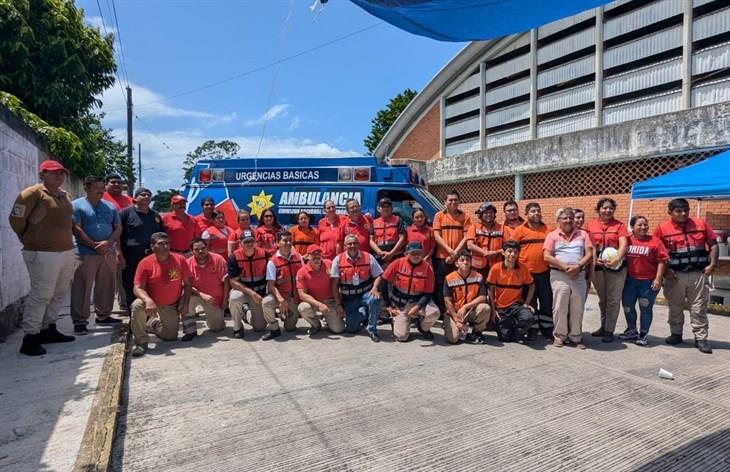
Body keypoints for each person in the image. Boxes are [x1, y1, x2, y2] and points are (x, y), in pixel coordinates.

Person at [9, 160, 76, 356]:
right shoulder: (32, 194)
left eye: (61, 173)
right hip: (42, 253)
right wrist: (29, 237)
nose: (59, 176)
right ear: (42, 174)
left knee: (58, 293)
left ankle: (49, 328)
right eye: (54, 173)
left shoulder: (65, 195)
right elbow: (15, 219)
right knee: (41, 295)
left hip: (65, 251)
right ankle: (30, 337)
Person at [654, 198, 718, 354]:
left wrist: (712, 265)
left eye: (686, 210)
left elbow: (714, 244)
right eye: (678, 211)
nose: (683, 213)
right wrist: (665, 272)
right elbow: (657, 252)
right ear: (670, 212)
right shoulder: (662, 228)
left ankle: (701, 339)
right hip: (674, 276)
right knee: (675, 307)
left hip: (698, 274)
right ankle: (676, 334)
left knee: (698, 308)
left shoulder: (700, 224)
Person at [70, 176, 122, 334]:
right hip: (86, 252)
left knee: (106, 284)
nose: (100, 192)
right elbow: (76, 229)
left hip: (108, 252)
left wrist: (109, 242)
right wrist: (93, 245)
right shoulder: (76, 206)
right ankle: (80, 320)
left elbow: (118, 227)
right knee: (82, 286)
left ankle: (104, 314)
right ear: (86, 188)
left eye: (102, 189)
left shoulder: (110, 206)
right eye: (96, 188)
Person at [130, 232, 192, 357]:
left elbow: (188, 284)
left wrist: (185, 303)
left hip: (170, 304)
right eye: (161, 244)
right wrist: (147, 300)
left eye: (167, 243)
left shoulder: (180, 259)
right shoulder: (145, 263)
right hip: (151, 302)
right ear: (152, 247)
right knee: (136, 305)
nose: (165, 246)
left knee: (171, 337)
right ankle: (141, 342)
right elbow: (137, 288)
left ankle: (152, 324)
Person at [543, 208, 593, 349]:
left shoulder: (583, 234)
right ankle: (560, 336)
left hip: (578, 274)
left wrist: (578, 266)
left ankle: (576, 336)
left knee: (578, 306)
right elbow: (546, 256)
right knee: (560, 306)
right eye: (564, 218)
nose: (568, 220)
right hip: (559, 274)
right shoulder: (552, 235)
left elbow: (589, 254)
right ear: (558, 220)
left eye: (571, 217)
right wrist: (564, 267)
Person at [586, 198, 629, 343]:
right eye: (604, 208)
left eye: (611, 208)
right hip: (598, 267)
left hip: (616, 268)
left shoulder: (620, 225)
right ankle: (603, 326)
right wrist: (593, 260)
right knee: (603, 300)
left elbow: (624, 244)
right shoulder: (591, 225)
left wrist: (617, 258)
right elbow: (589, 245)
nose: (608, 210)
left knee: (613, 300)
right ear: (598, 209)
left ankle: (609, 330)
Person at [620, 216, 668, 346]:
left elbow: (662, 261)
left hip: (647, 282)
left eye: (645, 225)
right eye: (639, 225)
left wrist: (658, 279)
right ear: (632, 227)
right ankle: (631, 330)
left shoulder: (655, 241)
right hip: (629, 281)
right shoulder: (627, 240)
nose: (643, 227)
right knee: (627, 307)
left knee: (645, 308)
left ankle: (643, 333)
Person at [510, 202, 553, 340]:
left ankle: (547, 328)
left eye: (538, 211)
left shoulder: (548, 229)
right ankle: (532, 329)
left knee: (546, 302)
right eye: (533, 211)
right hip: (526, 275)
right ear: (526, 214)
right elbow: (512, 250)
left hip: (545, 273)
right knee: (530, 303)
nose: (536, 213)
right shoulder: (519, 231)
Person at [118, 188, 164, 315]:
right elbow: (117, 235)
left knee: (151, 284)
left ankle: (150, 314)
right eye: (142, 195)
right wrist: (119, 254)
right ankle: (133, 314)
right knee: (131, 285)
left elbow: (162, 236)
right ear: (135, 197)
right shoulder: (125, 213)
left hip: (151, 256)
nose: (146, 197)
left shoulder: (155, 215)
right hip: (131, 256)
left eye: (148, 195)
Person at [382, 241, 439, 341]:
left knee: (434, 313)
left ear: (423, 254)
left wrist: (418, 307)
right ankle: (400, 320)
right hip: (401, 305)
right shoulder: (398, 263)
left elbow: (428, 293)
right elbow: (384, 282)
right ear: (406, 253)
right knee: (401, 337)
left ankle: (423, 327)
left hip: (418, 301)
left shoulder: (427, 269)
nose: (416, 256)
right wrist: (388, 305)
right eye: (413, 253)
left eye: (418, 253)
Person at [331, 234, 384, 342]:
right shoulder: (338, 260)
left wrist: (374, 288)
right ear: (345, 246)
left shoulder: (368, 257)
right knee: (351, 329)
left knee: (375, 299)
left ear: (358, 244)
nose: (352, 246)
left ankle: (372, 329)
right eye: (349, 244)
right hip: (349, 298)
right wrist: (338, 304)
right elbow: (334, 284)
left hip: (365, 293)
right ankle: (363, 312)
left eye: (355, 243)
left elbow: (378, 274)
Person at [261, 231, 313, 339]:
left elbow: (305, 278)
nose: (288, 243)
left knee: (290, 328)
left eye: (290, 240)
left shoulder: (298, 257)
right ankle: (274, 329)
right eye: (285, 240)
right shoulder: (272, 261)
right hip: (281, 296)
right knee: (266, 302)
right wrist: (280, 300)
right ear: (277, 243)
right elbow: (271, 285)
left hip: (294, 298)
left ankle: (286, 314)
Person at [432, 190, 471, 314]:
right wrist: (450, 251)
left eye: (456, 200)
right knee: (441, 284)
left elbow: (466, 236)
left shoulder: (465, 216)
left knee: (457, 284)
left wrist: (456, 253)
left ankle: (457, 310)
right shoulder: (439, 216)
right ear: (445, 202)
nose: (453, 202)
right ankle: (442, 311)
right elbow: (437, 236)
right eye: (450, 200)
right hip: (441, 257)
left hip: (459, 258)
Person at [487, 241, 534, 344]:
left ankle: (517, 332)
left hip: (516, 305)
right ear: (503, 253)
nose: (512, 254)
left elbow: (532, 286)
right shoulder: (495, 268)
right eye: (509, 251)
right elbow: (490, 290)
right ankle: (509, 326)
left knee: (528, 318)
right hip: (500, 307)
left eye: (515, 252)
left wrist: (526, 303)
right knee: (504, 338)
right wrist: (493, 310)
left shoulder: (523, 268)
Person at [102, 173, 134, 313]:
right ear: (106, 185)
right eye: (113, 182)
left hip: (128, 243)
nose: (116, 185)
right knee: (110, 279)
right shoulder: (101, 199)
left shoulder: (130, 200)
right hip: (110, 244)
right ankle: (105, 310)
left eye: (118, 182)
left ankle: (126, 302)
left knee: (126, 275)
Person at [296, 245, 345, 335]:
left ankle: (330, 319)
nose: (316, 256)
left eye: (318, 253)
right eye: (313, 254)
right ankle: (315, 325)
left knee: (338, 330)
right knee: (303, 308)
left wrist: (339, 304)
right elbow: (302, 294)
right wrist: (320, 304)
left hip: (330, 301)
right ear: (307, 256)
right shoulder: (302, 272)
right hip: (314, 302)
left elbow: (337, 284)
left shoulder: (329, 264)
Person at [228, 229, 269, 337]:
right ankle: (237, 327)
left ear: (255, 242)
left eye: (251, 241)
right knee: (234, 298)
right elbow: (233, 282)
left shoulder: (264, 254)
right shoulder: (234, 257)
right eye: (246, 241)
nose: (249, 244)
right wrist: (251, 293)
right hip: (243, 291)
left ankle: (246, 313)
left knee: (260, 328)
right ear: (240, 243)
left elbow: (270, 277)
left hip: (259, 293)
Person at [444, 251, 490, 344]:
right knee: (453, 339)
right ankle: (454, 326)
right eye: (462, 260)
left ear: (471, 263)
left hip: (469, 310)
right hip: (454, 313)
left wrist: (465, 307)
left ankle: (476, 332)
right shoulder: (449, 278)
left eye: (468, 260)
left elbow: (483, 297)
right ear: (456, 263)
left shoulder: (478, 276)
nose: (465, 262)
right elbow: (447, 301)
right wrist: (456, 320)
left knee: (485, 308)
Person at [186, 238, 228, 339]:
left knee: (216, 328)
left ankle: (215, 319)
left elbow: (226, 282)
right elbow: (187, 285)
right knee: (185, 299)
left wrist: (225, 301)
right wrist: (202, 295)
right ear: (191, 251)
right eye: (196, 249)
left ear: (207, 248)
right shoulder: (187, 263)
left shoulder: (218, 259)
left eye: (203, 248)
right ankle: (190, 331)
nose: (200, 251)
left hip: (214, 299)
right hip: (196, 295)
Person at [467, 202, 504, 277]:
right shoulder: (474, 227)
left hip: (496, 265)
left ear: (494, 214)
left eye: (491, 212)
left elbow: (508, 246)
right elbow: (469, 245)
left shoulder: (503, 228)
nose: (489, 215)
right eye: (485, 213)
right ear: (481, 215)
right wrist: (485, 252)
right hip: (477, 266)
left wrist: (495, 252)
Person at [369, 197, 406, 267]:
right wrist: (380, 253)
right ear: (378, 209)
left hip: (396, 256)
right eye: (383, 206)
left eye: (388, 206)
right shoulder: (374, 222)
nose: (386, 208)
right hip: (380, 257)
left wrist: (391, 253)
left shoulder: (398, 220)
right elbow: (371, 240)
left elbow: (402, 238)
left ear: (392, 208)